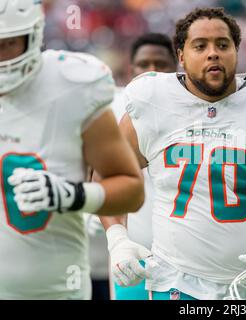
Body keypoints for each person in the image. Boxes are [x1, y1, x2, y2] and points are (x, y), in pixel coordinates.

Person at [101, 7, 246, 300]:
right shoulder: (153, 102)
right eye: (200, 46)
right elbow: (109, 174)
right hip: (177, 283)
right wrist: (118, 240)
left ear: (237, 52)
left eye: (223, 45)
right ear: (181, 56)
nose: (213, 53)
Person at [0, 0, 144, 299]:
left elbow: (131, 190)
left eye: (9, 43)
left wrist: (73, 195)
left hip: (53, 291)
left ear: (34, 35)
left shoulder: (71, 86)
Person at [86, 32, 178, 300]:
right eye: (144, 64)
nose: (152, 72)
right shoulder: (110, 105)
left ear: (176, 66)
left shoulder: (192, 108)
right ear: (131, 68)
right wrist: (92, 210)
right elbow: (89, 165)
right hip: (130, 245)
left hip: (180, 252)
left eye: (160, 65)